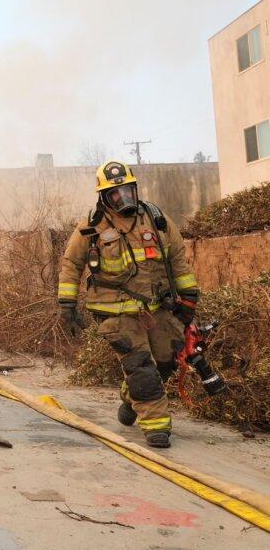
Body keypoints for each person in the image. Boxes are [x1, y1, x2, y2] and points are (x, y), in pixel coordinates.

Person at [56, 161, 199, 448]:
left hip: (157, 308)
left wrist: (188, 298)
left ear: (135, 189)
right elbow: (72, 263)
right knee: (141, 367)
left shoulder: (156, 219)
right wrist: (67, 306)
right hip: (115, 311)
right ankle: (156, 427)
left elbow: (178, 259)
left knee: (166, 360)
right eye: (115, 194)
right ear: (104, 197)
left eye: (127, 191)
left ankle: (129, 398)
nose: (123, 198)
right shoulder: (92, 226)